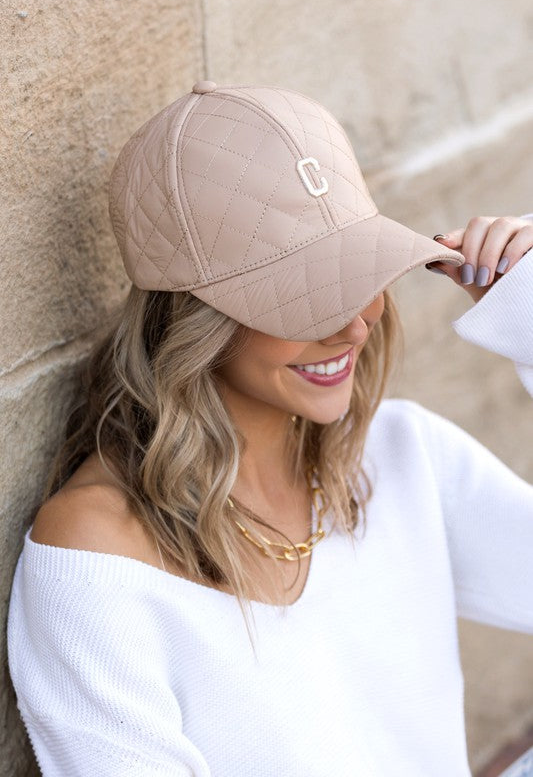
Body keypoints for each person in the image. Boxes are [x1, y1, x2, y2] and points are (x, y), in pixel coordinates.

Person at [6, 81, 533, 777]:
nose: (353, 324)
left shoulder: (401, 456)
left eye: (359, 272)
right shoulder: (99, 553)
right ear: (194, 320)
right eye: (305, 295)